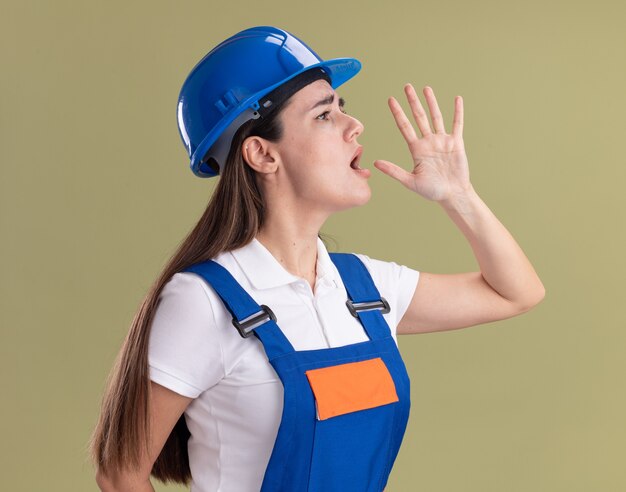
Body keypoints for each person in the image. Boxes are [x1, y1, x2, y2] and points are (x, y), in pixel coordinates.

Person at [89, 26, 545, 492]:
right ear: (262, 153)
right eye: (325, 115)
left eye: (342, 109)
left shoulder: (362, 289)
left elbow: (517, 293)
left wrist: (459, 196)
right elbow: (120, 472)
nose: (354, 126)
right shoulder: (203, 301)